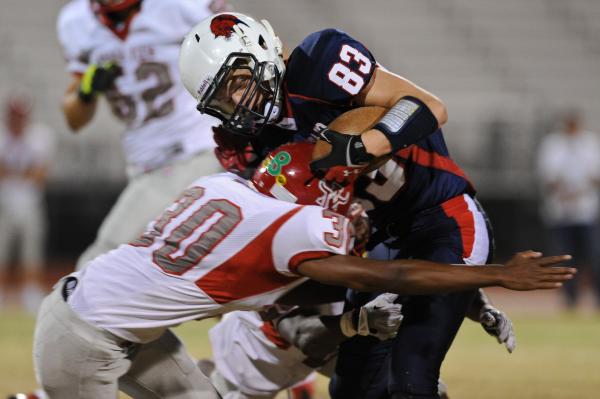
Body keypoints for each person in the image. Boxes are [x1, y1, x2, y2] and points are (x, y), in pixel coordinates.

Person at [32, 141, 573, 398]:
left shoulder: (225, 188)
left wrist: (470, 300)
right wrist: (496, 273)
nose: (348, 200)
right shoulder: (296, 230)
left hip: (104, 311)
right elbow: (397, 278)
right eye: (334, 189)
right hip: (88, 338)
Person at [179, 14, 515, 398]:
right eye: (223, 98)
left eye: (238, 83)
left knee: (410, 379)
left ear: (262, 51)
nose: (238, 101)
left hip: (443, 218)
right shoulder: (258, 147)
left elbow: (429, 107)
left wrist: (361, 147)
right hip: (382, 245)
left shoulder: (319, 63)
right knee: (353, 389)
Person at [56, 0, 229, 271]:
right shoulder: (75, 21)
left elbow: (247, 45)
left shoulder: (178, 5)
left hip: (194, 149)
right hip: (144, 164)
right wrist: (86, 91)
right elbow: (75, 119)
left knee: (98, 263)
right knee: (192, 267)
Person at [537, 110, 600, 309]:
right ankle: (570, 300)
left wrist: (578, 189)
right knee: (565, 258)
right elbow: (547, 176)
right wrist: (565, 189)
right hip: (560, 211)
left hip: (585, 210)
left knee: (593, 256)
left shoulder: (590, 143)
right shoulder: (552, 144)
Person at [0, 95, 54, 312]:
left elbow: (40, 172)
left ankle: (30, 289)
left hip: (30, 200)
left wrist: (16, 174)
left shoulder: (40, 136)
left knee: (32, 248)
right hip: (4, 201)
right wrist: (22, 174)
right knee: (2, 247)